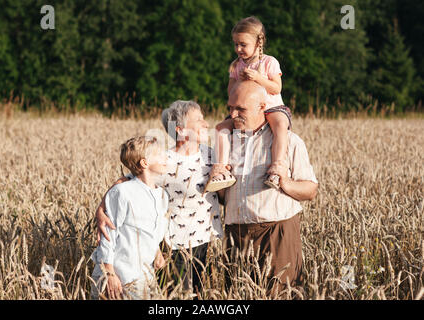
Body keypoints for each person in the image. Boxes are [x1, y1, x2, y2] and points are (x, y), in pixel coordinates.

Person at [95, 101, 223, 295]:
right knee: (178, 294)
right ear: (180, 130)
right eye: (199, 119)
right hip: (176, 244)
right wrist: (101, 209)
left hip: (205, 238)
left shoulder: (211, 155)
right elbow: (126, 182)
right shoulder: (165, 161)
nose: (206, 124)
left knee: (199, 292)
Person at [211, 80, 318, 295]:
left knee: (280, 294)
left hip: (277, 233)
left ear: (262, 107)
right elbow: (223, 197)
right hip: (236, 234)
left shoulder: (289, 141)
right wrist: (217, 181)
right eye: (230, 108)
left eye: (240, 109)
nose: (232, 115)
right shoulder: (226, 142)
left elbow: (310, 190)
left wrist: (285, 183)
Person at [206, 16, 292, 192]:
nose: (238, 49)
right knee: (220, 128)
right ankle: (221, 170)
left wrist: (258, 79)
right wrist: (240, 83)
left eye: (243, 44)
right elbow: (231, 92)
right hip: (244, 110)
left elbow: (276, 88)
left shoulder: (269, 62)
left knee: (281, 125)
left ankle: (277, 167)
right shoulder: (236, 66)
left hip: (271, 106)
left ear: (258, 42)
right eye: (236, 44)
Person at [90, 136, 169, 300]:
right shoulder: (123, 192)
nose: (166, 157)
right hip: (121, 275)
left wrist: (157, 251)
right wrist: (109, 273)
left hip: (145, 275)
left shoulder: (162, 195)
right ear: (144, 163)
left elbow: (150, 230)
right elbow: (108, 234)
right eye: (159, 154)